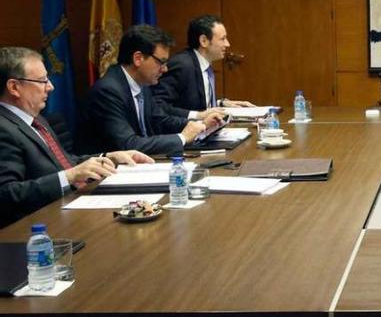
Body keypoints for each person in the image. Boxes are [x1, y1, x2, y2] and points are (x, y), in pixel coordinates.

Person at [0, 46, 152, 227]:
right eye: (42, 81)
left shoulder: (36, 120)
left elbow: (64, 161)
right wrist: (69, 176)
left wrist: (107, 157)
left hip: (67, 210)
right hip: (34, 230)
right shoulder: (4, 128)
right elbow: (7, 194)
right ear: (14, 87)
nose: (51, 86)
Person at [83, 25, 224, 156]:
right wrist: (182, 138)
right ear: (138, 58)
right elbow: (129, 144)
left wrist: (201, 123)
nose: (165, 69)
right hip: (105, 175)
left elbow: (160, 119)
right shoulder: (108, 91)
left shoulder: (141, 83)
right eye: (161, 62)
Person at [152, 15, 255, 118]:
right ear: (204, 41)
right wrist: (198, 115)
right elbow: (158, 106)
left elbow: (193, 101)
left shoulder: (203, 65)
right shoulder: (183, 65)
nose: (227, 44)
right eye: (222, 39)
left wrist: (220, 103)